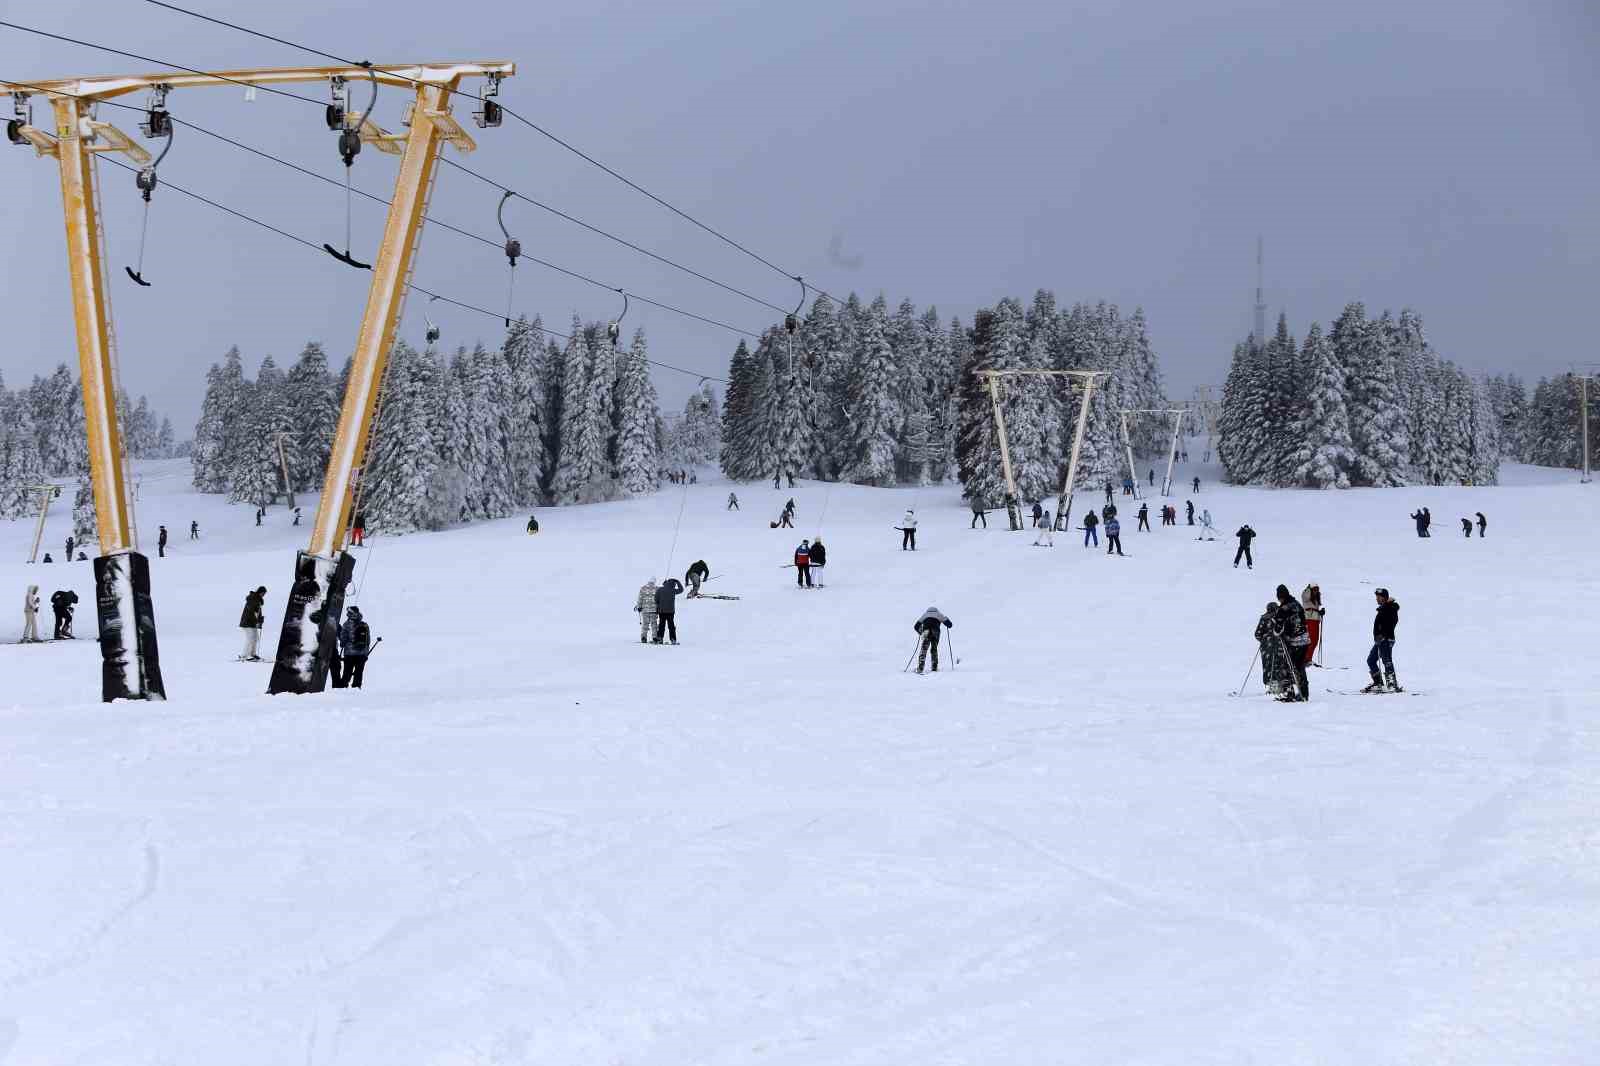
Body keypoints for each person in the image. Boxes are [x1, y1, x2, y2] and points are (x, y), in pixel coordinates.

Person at [1274, 584, 1310, 701]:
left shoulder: (1283, 609)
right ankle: (1304, 693)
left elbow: (1277, 629)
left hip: (1293, 642)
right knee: (1300, 666)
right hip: (1305, 639)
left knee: (1287, 666)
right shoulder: (1297, 604)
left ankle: (1289, 692)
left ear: (1280, 597)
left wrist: (1277, 630)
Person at [1362, 588, 1401, 693]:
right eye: (1376, 597)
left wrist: (1383, 634)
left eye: (1379, 597)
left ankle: (1392, 683)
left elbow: (1392, 622)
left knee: (1386, 660)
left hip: (1386, 639)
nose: (1377, 599)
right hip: (1380, 640)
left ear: (1384, 597)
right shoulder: (1384, 608)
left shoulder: (1390, 608)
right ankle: (1378, 682)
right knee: (1371, 660)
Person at [1255, 601, 1291, 698]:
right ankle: (1284, 685)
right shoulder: (1280, 618)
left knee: (1268, 666)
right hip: (1280, 645)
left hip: (1267, 648)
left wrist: (1264, 639)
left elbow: (1257, 634)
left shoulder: (1264, 618)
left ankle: (1273, 686)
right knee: (1281, 664)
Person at [338, 606, 372, 687]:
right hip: (362, 654)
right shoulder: (364, 625)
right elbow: (368, 641)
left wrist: (342, 643)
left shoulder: (346, 625)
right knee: (359, 673)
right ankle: (356, 689)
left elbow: (343, 639)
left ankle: (343, 688)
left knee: (347, 672)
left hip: (349, 654)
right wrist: (365, 653)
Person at [912, 606, 953, 674]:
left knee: (924, 649)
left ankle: (920, 668)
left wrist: (920, 632)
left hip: (926, 631)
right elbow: (950, 625)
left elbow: (916, 626)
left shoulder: (925, 615)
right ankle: (934, 667)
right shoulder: (939, 614)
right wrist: (946, 619)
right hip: (935, 632)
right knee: (934, 649)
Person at [239, 585, 266, 661]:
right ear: (260, 592)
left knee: (255, 638)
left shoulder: (258, 600)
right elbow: (251, 612)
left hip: (252, 623)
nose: (264, 595)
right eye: (263, 593)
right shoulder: (253, 599)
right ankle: (244, 655)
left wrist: (260, 620)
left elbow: (257, 613)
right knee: (250, 638)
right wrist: (257, 621)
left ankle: (252, 654)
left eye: (264, 593)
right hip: (247, 622)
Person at [654, 577, 683, 644]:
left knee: (661, 625)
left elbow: (655, 599)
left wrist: (659, 604)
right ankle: (673, 639)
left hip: (661, 611)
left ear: (666, 583)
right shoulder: (673, 590)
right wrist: (678, 581)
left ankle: (660, 638)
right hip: (670, 611)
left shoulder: (660, 589)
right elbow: (681, 590)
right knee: (671, 626)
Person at [1300, 583, 1324, 666]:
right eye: (1314, 589)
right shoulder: (1307, 594)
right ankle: (1306, 659)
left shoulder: (1314, 599)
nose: (1316, 591)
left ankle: (1308, 658)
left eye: (1317, 590)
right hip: (1309, 619)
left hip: (1315, 619)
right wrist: (1309, 588)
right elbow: (1304, 596)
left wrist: (1320, 612)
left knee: (1315, 640)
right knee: (1311, 640)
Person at [634, 578, 658, 644]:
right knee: (654, 625)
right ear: (654, 582)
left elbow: (640, 598)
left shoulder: (643, 588)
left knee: (645, 624)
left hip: (645, 610)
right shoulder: (657, 588)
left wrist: (639, 607)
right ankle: (655, 637)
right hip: (654, 610)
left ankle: (643, 637)